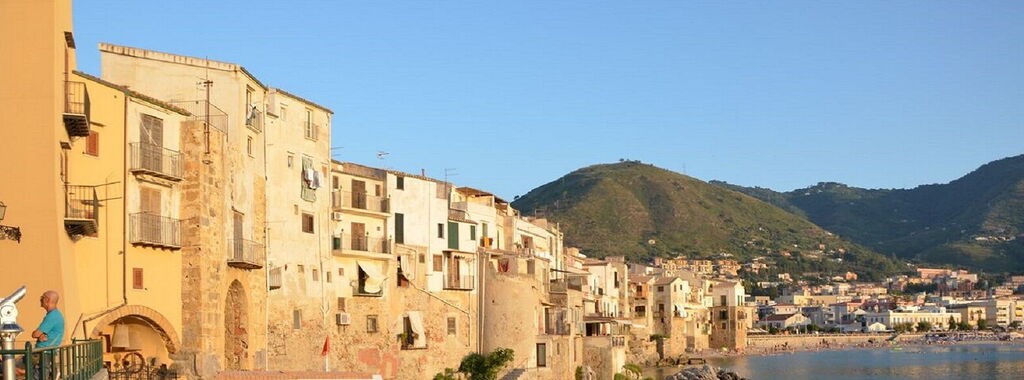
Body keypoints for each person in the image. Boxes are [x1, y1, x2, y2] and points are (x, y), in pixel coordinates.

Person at [15, 290, 64, 377]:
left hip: (43, 352)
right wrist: (40, 335)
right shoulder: (55, 315)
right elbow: (40, 334)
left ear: (47, 300)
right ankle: (52, 372)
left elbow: (35, 334)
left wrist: (38, 335)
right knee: (14, 368)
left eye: (42, 297)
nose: (40, 300)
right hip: (44, 351)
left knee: (10, 367)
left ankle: (51, 372)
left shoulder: (53, 316)